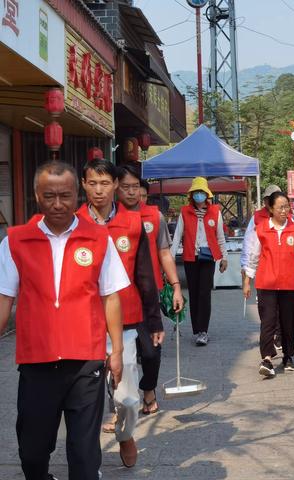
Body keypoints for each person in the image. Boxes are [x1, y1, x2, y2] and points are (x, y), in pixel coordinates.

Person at [0, 161, 129, 480]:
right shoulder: (15, 242)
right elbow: (4, 300)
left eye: (65, 196)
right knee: (32, 452)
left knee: (84, 456)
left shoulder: (99, 239)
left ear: (76, 195)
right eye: (49, 196)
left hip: (86, 360)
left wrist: (117, 351)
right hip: (36, 362)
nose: (58, 204)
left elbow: (110, 295)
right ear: (36, 196)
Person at [77, 159, 164, 468]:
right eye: (92, 183)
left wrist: (153, 319)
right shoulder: (73, 223)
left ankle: (125, 435)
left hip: (125, 321)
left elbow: (144, 274)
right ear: (84, 185)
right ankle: (88, 459)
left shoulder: (132, 222)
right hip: (83, 323)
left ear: (115, 185)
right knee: (85, 399)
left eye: (105, 183)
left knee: (126, 396)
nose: (98, 190)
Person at [116, 164, 184, 415]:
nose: (132, 192)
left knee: (151, 351)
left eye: (136, 187)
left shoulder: (154, 217)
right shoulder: (109, 219)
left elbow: (165, 253)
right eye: (126, 187)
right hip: (116, 297)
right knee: (119, 354)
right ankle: (118, 407)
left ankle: (148, 389)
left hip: (149, 293)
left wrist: (176, 286)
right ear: (116, 188)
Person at [243, 191, 294, 377]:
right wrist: (247, 281)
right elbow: (253, 257)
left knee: (288, 322)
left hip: (290, 284)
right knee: (267, 322)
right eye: (281, 207)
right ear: (271, 208)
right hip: (266, 283)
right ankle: (267, 359)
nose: (285, 210)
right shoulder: (261, 229)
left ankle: (287, 356)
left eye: (287, 206)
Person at [170, 177, 228, 346]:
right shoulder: (184, 212)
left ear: (207, 194)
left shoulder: (215, 212)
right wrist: (170, 259)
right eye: (196, 192)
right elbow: (177, 237)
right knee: (194, 294)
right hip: (190, 257)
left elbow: (220, 237)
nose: (199, 195)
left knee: (204, 293)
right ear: (191, 194)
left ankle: (203, 331)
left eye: (201, 192)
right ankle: (197, 329)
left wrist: (224, 258)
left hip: (208, 258)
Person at [240, 184, 282, 349]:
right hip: (263, 268)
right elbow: (249, 243)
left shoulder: (287, 216)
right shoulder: (256, 218)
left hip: (282, 267)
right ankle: (268, 334)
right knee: (265, 304)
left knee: (280, 303)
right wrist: (245, 266)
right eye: (268, 199)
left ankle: (279, 334)